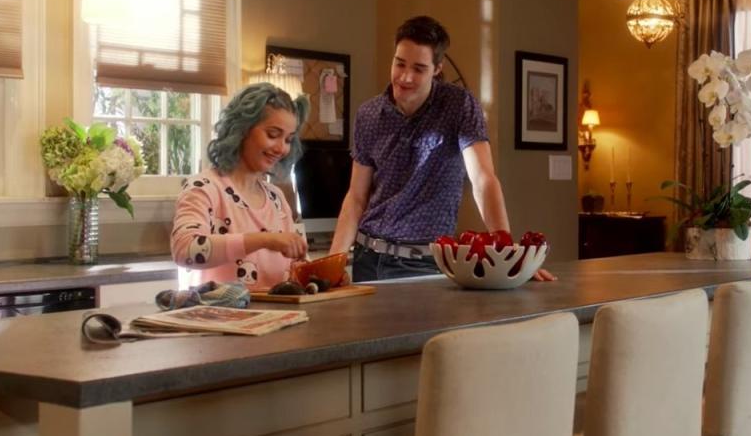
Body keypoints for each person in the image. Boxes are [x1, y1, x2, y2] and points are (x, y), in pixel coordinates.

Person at [329, 15, 555, 282]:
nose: (405, 77)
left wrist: (508, 257)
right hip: (368, 259)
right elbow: (356, 198)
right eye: (399, 63)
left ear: (437, 68)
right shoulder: (368, 114)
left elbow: (483, 179)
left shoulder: (459, 106)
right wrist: (333, 263)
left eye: (419, 68)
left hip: (427, 263)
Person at [171, 83, 310, 290]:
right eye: (273, 134)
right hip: (218, 319)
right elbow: (185, 249)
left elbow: (294, 268)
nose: (282, 148)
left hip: (276, 318)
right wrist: (265, 240)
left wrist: (321, 277)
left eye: (288, 139)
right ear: (241, 130)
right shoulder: (204, 188)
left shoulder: (276, 198)